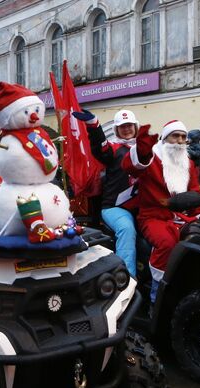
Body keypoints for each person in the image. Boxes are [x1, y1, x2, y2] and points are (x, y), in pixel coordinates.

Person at [122, 120, 200, 301]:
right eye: (175, 135)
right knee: (167, 243)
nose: (179, 140)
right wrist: (141, 151)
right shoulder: (152, 158)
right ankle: (157, 296)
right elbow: (132, 166)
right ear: (165, 138)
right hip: (154, 217)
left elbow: (194, 193)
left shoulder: (188, 164)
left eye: (183, 137)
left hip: (182, 217)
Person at [72, 108, 140, 276]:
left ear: (136, 127)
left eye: (129, 125)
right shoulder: (113, 148)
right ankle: (127, 276)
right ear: (117, 130)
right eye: (122, 126)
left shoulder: (146, 149)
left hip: (143, 207)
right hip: (115, 208)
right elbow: (100, 148)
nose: (126, 129)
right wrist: (93, 126)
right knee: (127, 229)